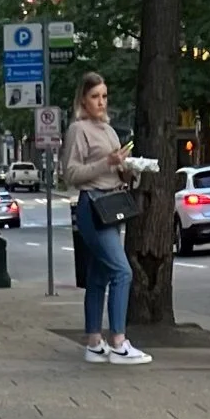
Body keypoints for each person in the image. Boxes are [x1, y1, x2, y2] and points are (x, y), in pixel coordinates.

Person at [60, 71, 152, 365]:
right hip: (93, 205)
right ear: (83, 100)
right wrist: (107, 162)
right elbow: (71, 175)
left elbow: (114, 169)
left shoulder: (109, 130)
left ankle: (94, 342)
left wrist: (128, 168)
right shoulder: (79, 130)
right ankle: (119, 342)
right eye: (95, 97)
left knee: (99, 277)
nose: (101, 102)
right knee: (122, 272)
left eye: (104, 96)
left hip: (112, 203)